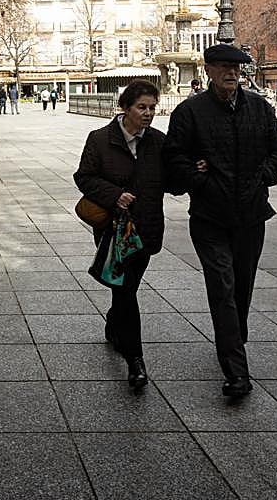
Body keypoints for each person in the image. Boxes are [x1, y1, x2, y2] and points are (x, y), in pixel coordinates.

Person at [164, 44, 277, 399]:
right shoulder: (190, 112)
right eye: (222, 67)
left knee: (242, 287)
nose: (231, 73)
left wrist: (264, 176)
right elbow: (173, 159)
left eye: (235, 68)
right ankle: (237, 371)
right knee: (222, 286)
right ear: (208, 70)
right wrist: (199, 178)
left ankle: (234, 337)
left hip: (252, 215)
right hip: (209, 217)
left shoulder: (259, 108)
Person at [74, 80, 169, 390]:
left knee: (125, 289)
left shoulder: (158, 141)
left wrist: (195, 169)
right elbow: (84, 177)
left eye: (152, 108)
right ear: (125, 108)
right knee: (126, 291)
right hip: (113, 230)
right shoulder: (100, 139)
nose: (148, 113)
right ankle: (135, 361)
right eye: (141, 107)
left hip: (147, 229)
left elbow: (175, 182)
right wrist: (115, 195)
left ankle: (115, 324)